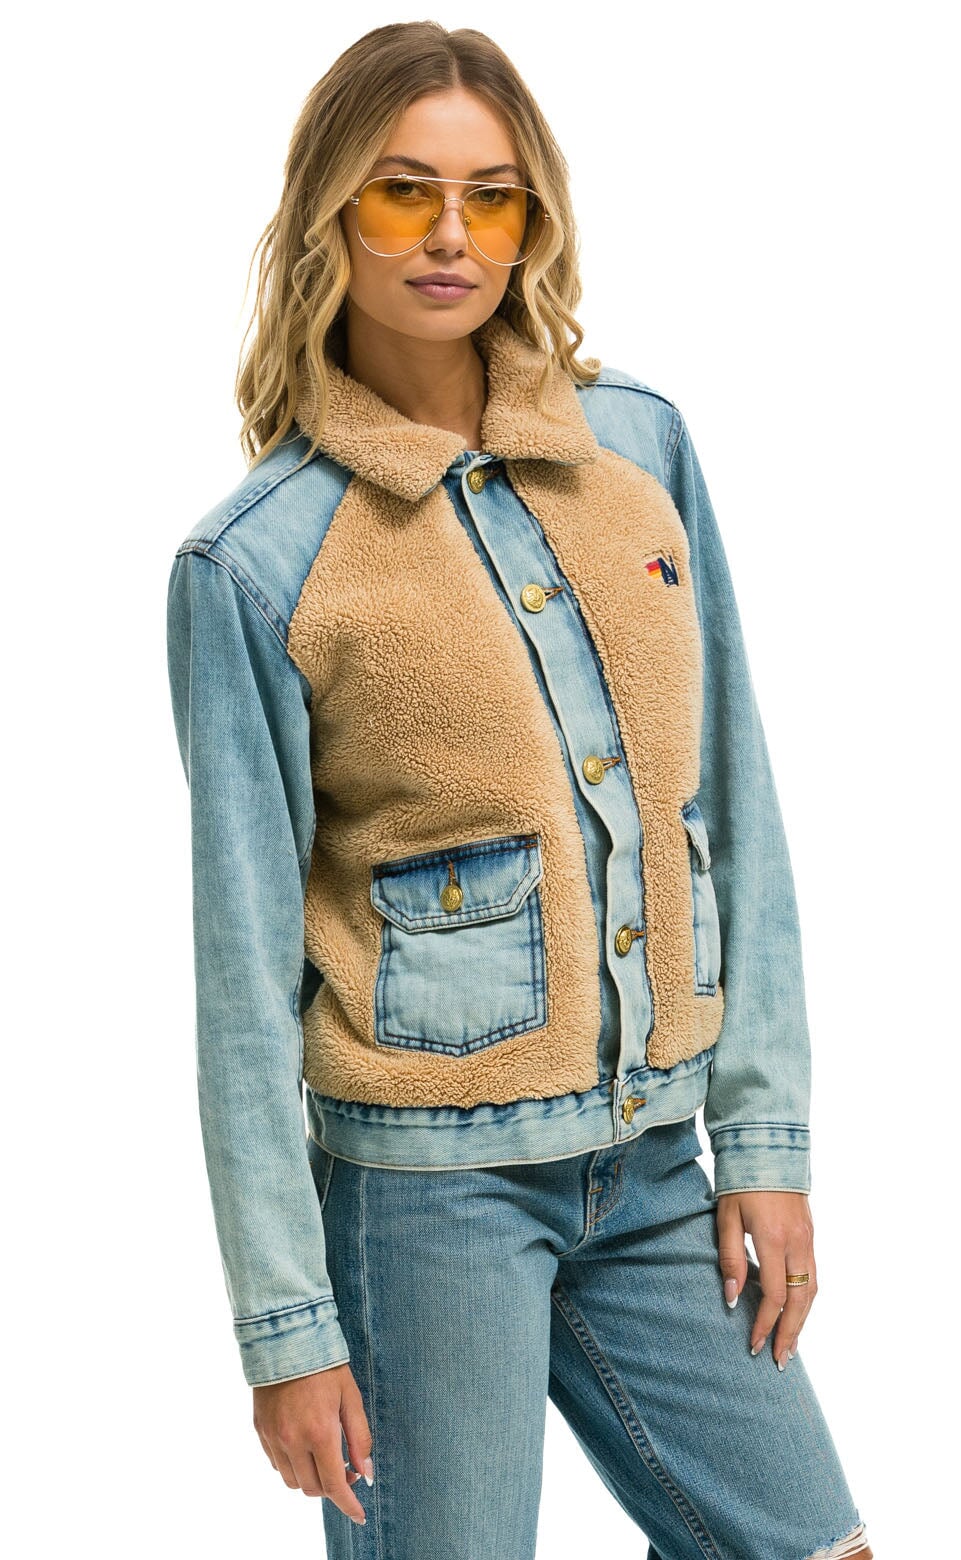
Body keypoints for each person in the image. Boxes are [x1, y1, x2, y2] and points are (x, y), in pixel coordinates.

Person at [166, 21, 873, 1560]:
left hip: (658, 1167)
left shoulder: (640, 449)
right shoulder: (256, 560)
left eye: (489, 197)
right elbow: (241, 975)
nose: (449, 235)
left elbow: (731, 806)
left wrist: (764, 1145)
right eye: (401, 191)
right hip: (426, 1203)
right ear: (330, 212)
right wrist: (287, 1325)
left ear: (530, 221)